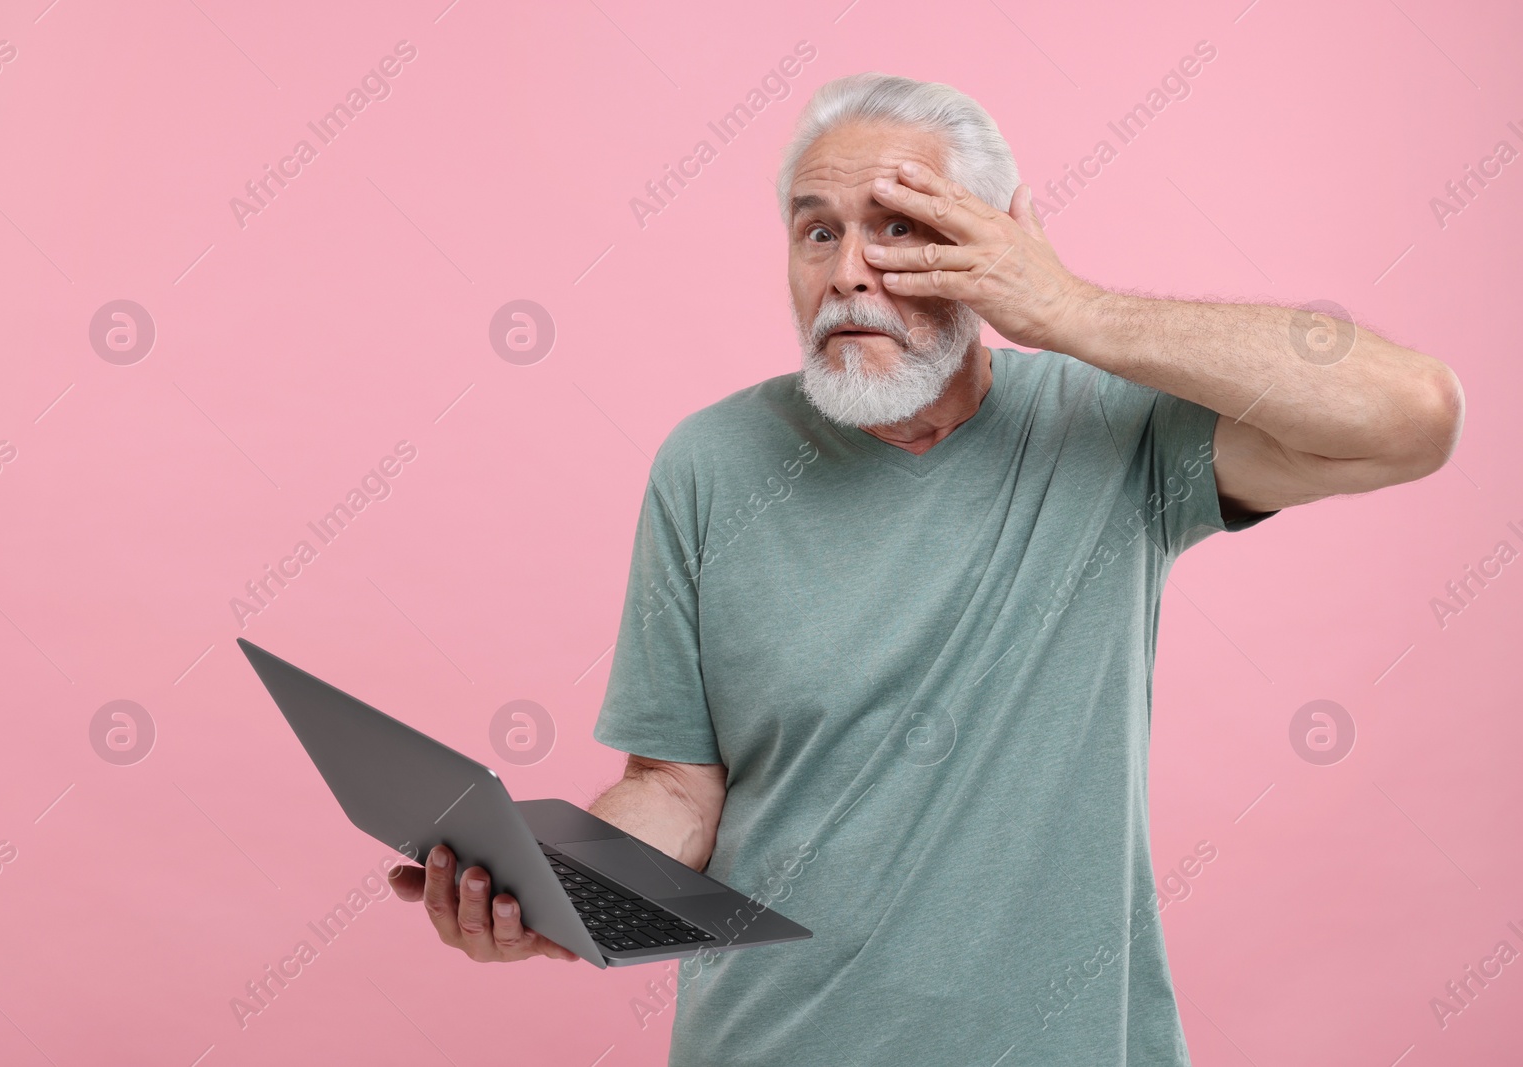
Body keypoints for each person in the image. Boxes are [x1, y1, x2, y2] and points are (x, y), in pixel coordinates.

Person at [388, 72, 1464, 1064]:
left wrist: (1068, 308)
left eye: (900, 227)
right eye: (818, 230)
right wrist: (557, 889)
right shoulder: (709, 462)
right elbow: (676, 787)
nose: (848, 269)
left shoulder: (1108, 431)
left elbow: (1407, 416)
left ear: (991, 244)